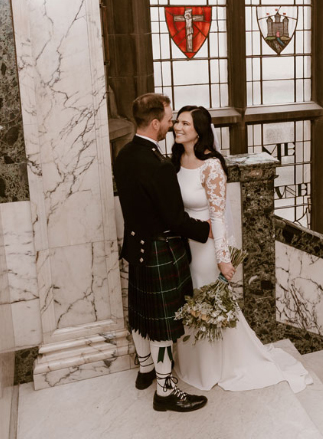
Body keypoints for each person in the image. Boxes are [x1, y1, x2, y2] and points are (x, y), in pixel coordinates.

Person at [171, 105, 312, 393]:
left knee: (207, 306)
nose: (177, 127)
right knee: (190, 303)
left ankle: (218, 367)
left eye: (185, 123)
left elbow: (219, 215)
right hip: (184, 246)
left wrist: (223, 260)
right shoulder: (177, 159)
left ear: (199, 130)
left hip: (207, 250)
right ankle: (192, 364)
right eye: (176, 122)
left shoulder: (211, 166)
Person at [113, 93, 210, 413]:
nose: (171, 124)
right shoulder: (159, 166)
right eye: (169, 119)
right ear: (155, 123)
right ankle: (165, 390)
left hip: (135, 246)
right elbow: (174, 218)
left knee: (141, 316)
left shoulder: (124, 155)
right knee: (163, 327)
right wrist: (204, 230)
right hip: (160, 250)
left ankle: (145, 371)